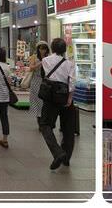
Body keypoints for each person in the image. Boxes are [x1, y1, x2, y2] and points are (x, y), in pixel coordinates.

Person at [40, 38, 77, 170]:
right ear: (64, 50)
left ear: (52, 48)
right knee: (68, 128)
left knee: (45, 124)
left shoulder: (45, 60)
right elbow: (72, 82)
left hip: (50, 96)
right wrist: (69, 98)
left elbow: (47, 75)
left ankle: (57, 152)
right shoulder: (70, 63)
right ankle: (66, 158)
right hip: (65, 95)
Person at [29, 41, 49, 130]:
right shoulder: (34, 57)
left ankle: (44, 121)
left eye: (44, 49)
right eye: (41, 49)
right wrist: (41, 63)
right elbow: (31, 68)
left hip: (46, 81)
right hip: (36, 80)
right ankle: (40, 122)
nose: (43, 51)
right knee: (38, 101)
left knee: (45, 102)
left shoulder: (49, 57)